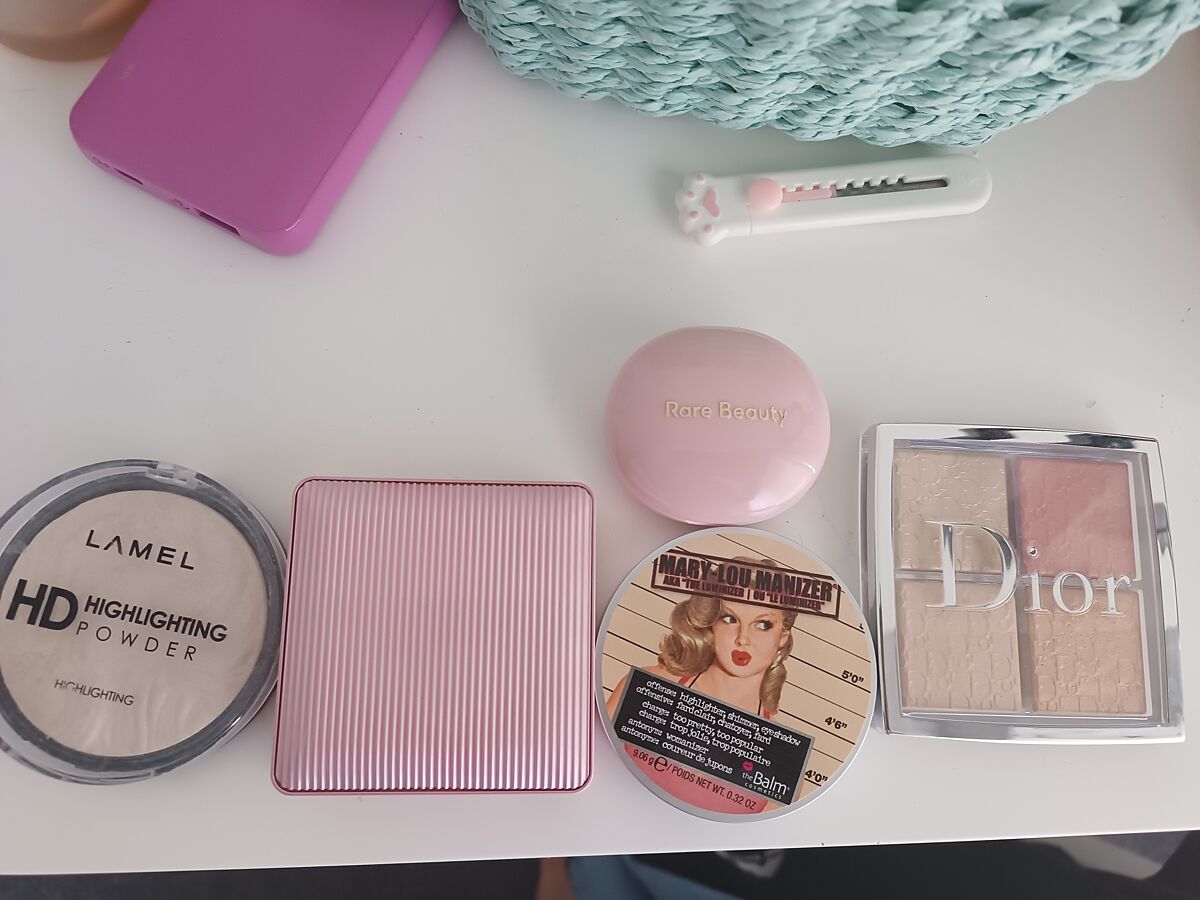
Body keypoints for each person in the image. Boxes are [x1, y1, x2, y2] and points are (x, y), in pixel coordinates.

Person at [607, 589, 796, 721]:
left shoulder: (777, 745)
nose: (743, 639)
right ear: (710, 623)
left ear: (783, 637)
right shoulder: (645, 687)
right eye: (730, 619)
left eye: (763, 625)